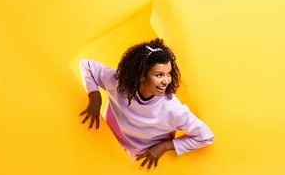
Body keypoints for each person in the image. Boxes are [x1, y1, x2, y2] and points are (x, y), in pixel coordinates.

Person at [78, 38, 215, 171]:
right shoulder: (118, 83)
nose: (166, 81)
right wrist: (95, 97)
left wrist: (164, 146)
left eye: (168, 74)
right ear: (141, 76)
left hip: (140, 160)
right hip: (107, 142)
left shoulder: (173, 109)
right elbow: (86, 65)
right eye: (159, 75)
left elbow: (206, 136)